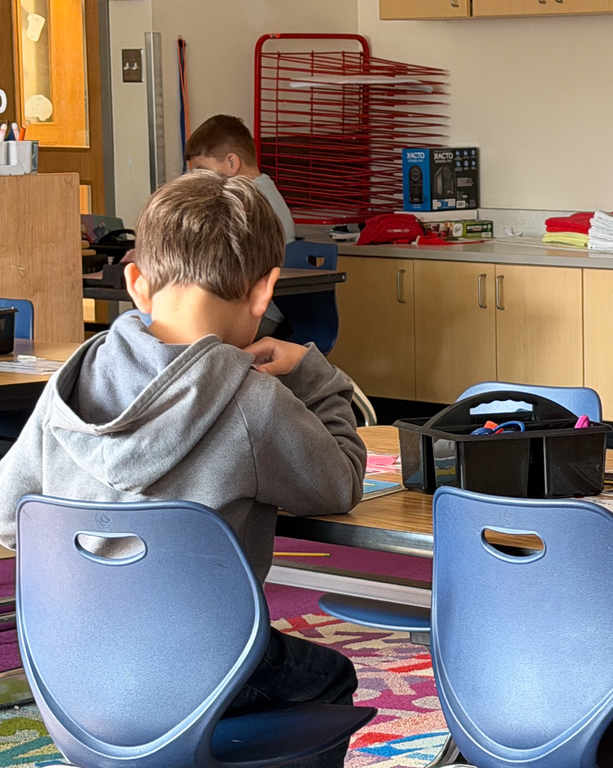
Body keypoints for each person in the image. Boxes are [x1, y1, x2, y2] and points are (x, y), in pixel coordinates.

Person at [0, 171, 366, 767]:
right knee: (327, 679)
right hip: (204, 673)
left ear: (137, 282)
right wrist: (312, 374)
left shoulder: (71, 384)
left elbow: (11, 520)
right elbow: (342, 481)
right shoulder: (252, 400)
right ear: (264, 292)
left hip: (71, 668)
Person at [185, 114, 294, 337]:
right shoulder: (264, 191)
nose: (200, 180)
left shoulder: (248, 202)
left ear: (233, 162)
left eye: (204, 170)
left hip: (256, 314)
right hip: (260, 307)